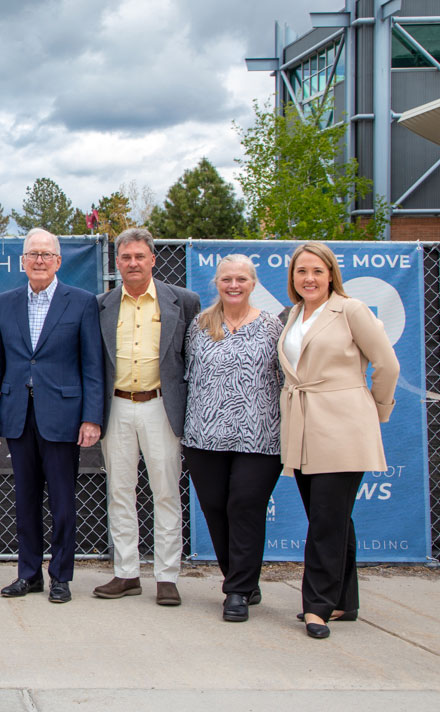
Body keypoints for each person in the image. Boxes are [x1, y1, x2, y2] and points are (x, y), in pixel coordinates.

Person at [278, 242, 398, 639]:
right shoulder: (295, 315)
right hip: (305, 426)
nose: (309, 278)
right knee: (330, 519)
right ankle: (345, 600)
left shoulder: (350, 310)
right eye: (301, 272)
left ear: (331, 275)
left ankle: (317, 607)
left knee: (326, 523)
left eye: (317, 271)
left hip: (344, 427)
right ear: (293, 278)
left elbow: (387, 364)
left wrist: (374, 411)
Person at [0, 229, 104, 603]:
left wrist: (91, 417)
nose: (39, 260)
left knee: (63, 501)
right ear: (22, 261)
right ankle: (28, 574)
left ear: (58, 262)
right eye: (32, 254)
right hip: (18, 416)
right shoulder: (5, 303)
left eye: (46, 254)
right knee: (26, 501)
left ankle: (61, 576)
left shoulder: (81, 302)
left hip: (64, 417)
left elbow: (92, 366)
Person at [95, 227, 200, 606]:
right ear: (117, 262)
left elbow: (193, 359)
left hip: (162, 405)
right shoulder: (102, 305)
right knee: (120, 491)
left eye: (140, 256)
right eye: (126, 257)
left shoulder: (183, 302)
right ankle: (126, 573)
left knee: (166, 491)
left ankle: (167, 576)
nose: (133, 263)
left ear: (153, 259)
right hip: (117, 406)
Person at [182, 255, 283, 622]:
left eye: (241, 278)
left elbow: (285, 379)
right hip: (204, 436)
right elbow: (187, 374)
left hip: (259, 436)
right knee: (216, 509)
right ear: (217, 283)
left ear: (253, 283)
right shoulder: (199, 325)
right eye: (227, 279)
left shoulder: (273, 327)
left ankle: (237, 591)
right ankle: (242, 578)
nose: (234, 285)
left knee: (245, 506)